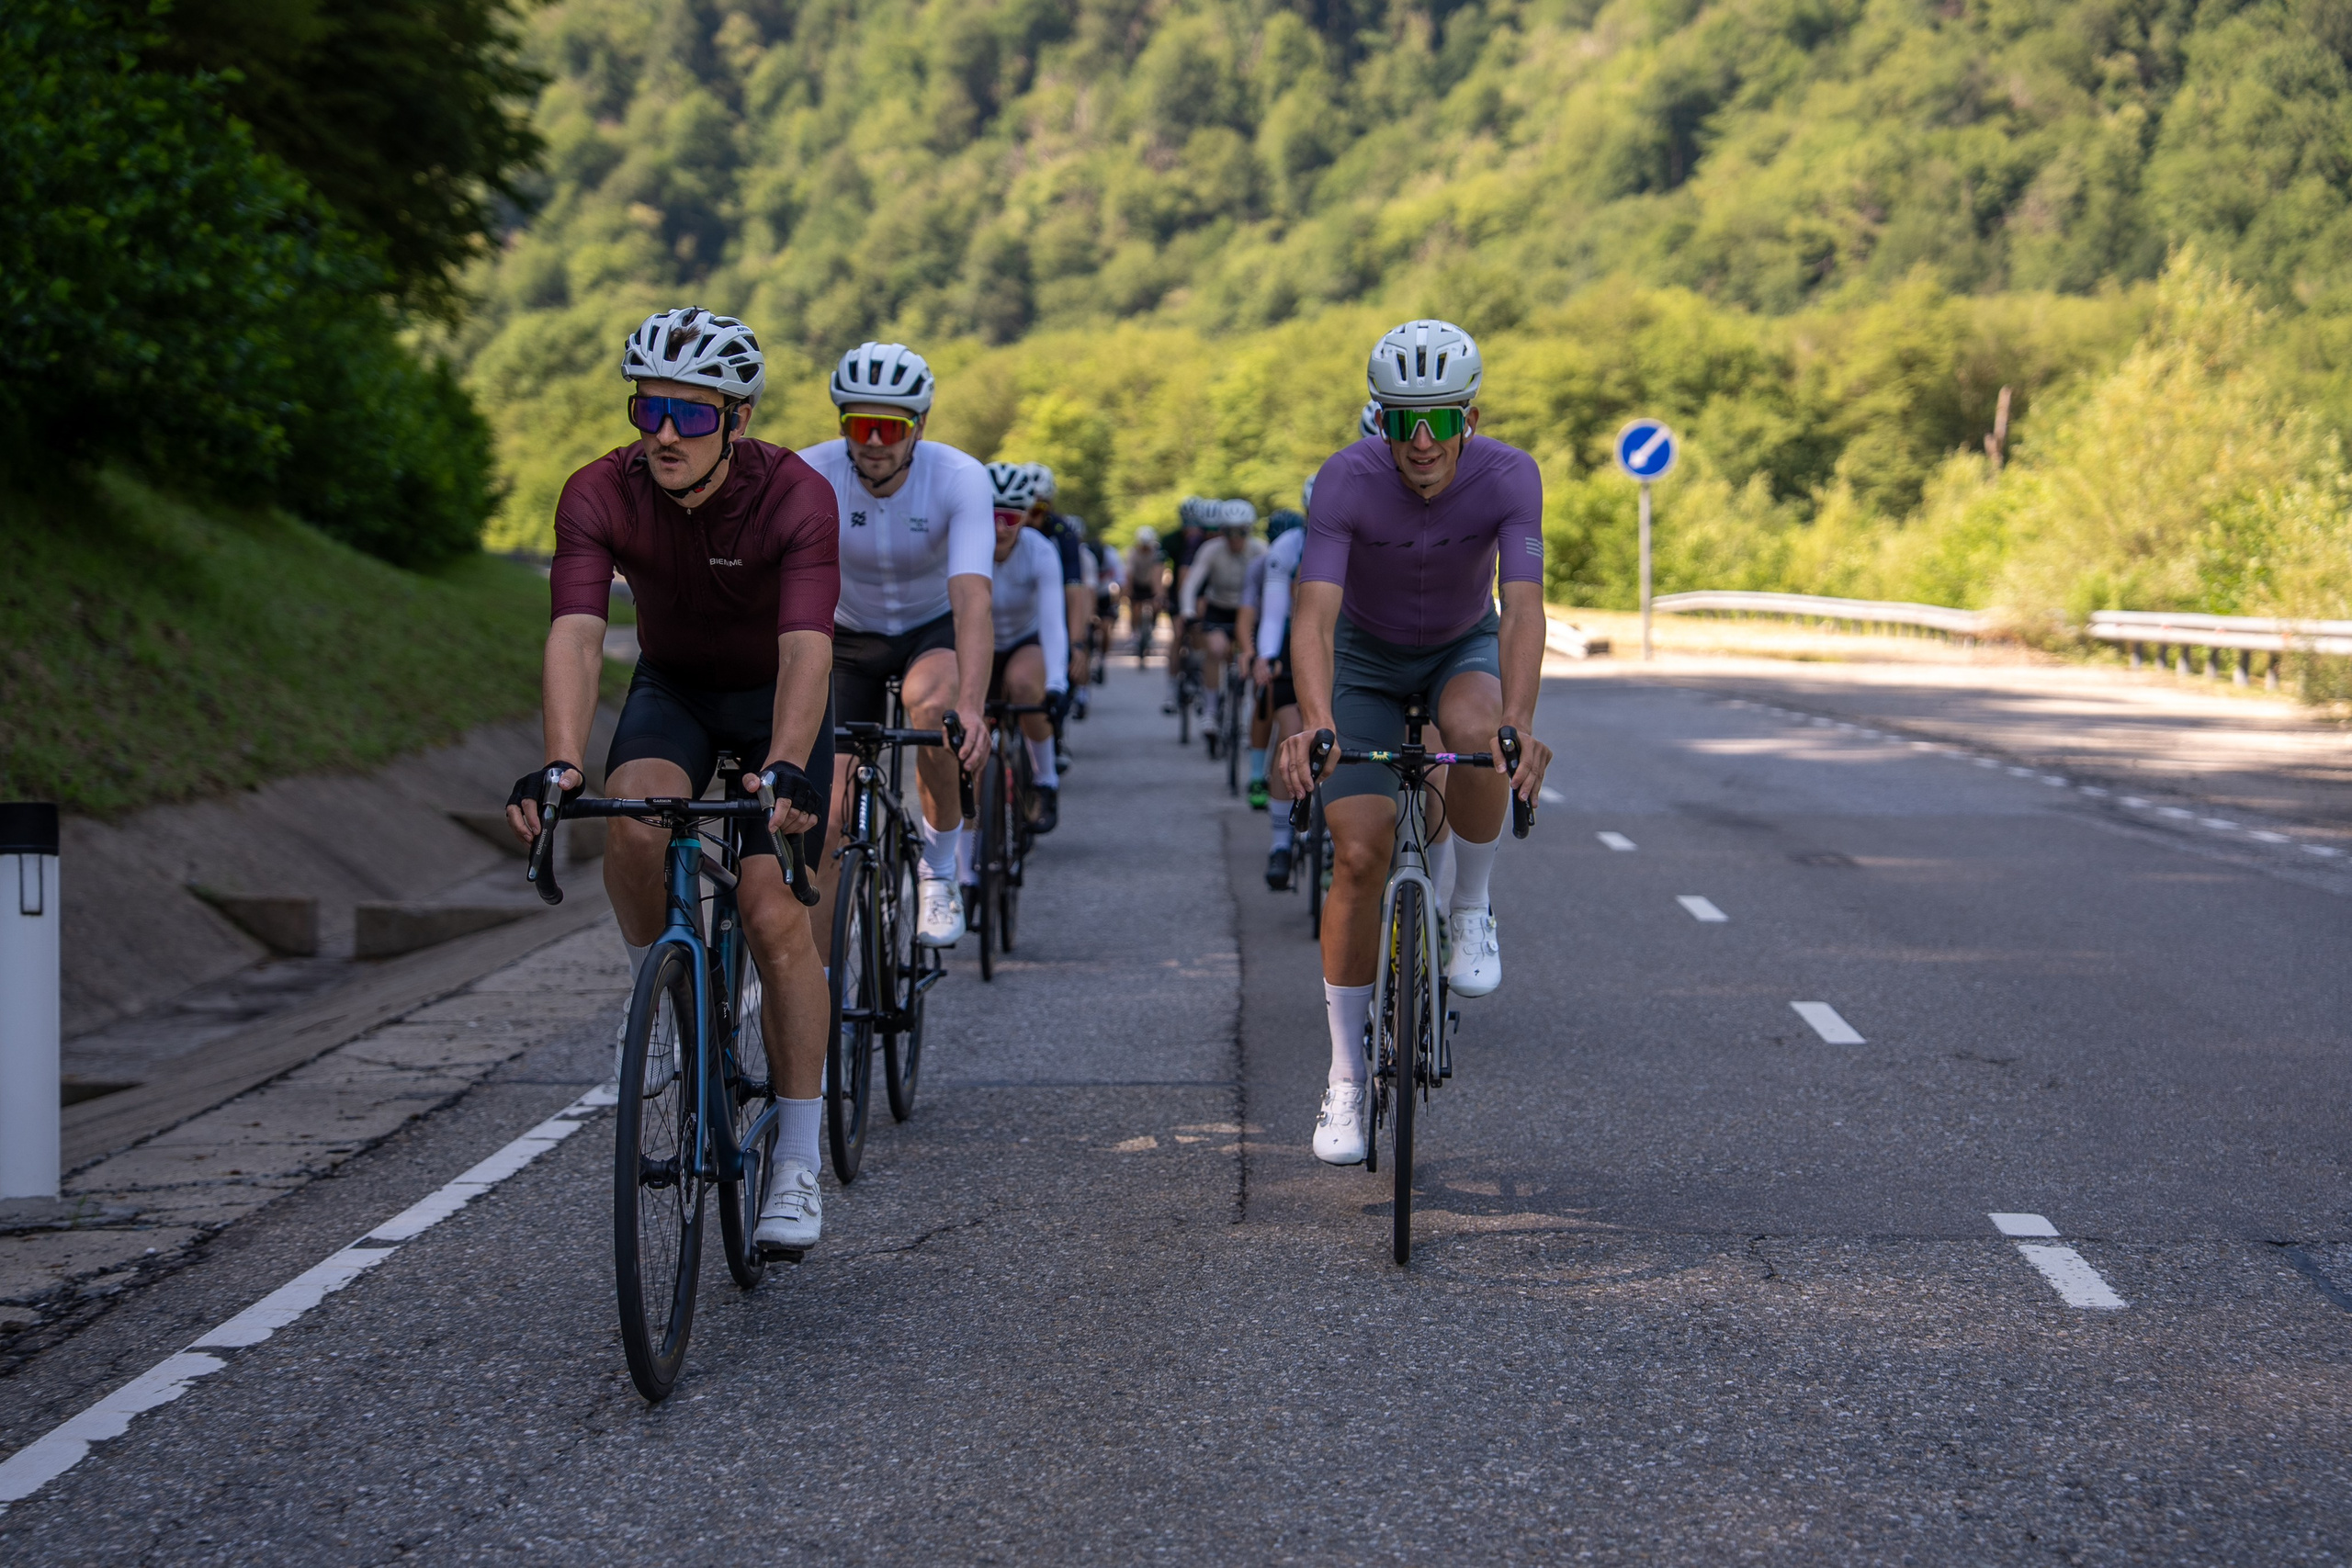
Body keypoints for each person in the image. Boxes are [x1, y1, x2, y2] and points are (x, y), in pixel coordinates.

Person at [507, 306, 839, 1256]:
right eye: (648, 408)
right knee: (632, 828)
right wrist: (564, 761)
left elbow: (809, 646)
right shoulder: (597, 492)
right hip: (675, 693)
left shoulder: (796, 496)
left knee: (774, 914)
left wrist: (783, 763)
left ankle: (798, 1164)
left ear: (735, 420)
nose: (663, 434)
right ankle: (658, 993)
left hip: (776, 699)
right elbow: (575, 631)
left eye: (690, 416)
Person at [1274, 319, 1555, 1168]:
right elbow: (1313, 615)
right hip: (1361, 660)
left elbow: (1526, 603)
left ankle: (1469, 905)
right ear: (1381, 418)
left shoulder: (1511, 475)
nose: (1423, 440)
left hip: (1461, 646)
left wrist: (1521, 721)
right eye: (1403, 420)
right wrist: (1316, 719)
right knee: (1358, 858)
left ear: (1472, 415)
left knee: (1479, 734)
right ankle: (1348, 1076)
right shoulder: (1345, 480)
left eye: (1442, 419)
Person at [797, 342, 994, 952]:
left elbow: (972, 599)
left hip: (929, 627)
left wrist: (972, 706)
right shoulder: (809, 475)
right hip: (846, 635)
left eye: (892, 426)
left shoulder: (959, 477)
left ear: (921, 427)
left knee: (935, 709)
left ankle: (938, 869)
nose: (875, 441)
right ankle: (822, 1000)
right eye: (861, 425)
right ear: (842, 426)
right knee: (829, 816)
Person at [978, 462, 1070, 844]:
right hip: (976, 643)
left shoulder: (1041, 551)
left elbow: (1052, 621)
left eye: (1011, 517)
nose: (1000, 527)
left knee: (1024, 685)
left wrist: (1056, 683)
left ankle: (1045, 781)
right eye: (991, 515)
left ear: (1027, 517)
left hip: (1022, 640)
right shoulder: (961, 544)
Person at [1250, 506, 1309, 871]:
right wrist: (1266, 656)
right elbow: (1272, 613)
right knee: (1291, 733)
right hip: (1295, 645)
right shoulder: (1288, 547)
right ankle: (1280, 843)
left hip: (1349, 650)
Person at [1178, 501, 1266, 732]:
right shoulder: (1211, 549)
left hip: (1248, 611)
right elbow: (1191, 584)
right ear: (1221, 531)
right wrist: (1188, 611)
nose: (1235, 538)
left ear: (1249, 530)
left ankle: (1248, 710)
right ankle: (1210, 709)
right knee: (1215, 650)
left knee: (1253, 658)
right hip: (1218, 607)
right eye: (1229, 531)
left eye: (1241, 532)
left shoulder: (1260, 550)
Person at [1159, 500, 1209, 711]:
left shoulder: (1206, 539)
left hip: (1207, 590)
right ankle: (1172, 688)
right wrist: (1161, 594)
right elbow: (1164, 571)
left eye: (1195, 523)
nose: (1191, 528)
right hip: (1180, 591)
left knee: (1201, 633)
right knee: (1178, 636)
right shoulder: (1171, 540)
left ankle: (1199, 673)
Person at [1126, 525, 1163, 657]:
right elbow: (1129, 574)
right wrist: (1128, 591)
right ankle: (1135, 634)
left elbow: (1158, 573)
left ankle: (1152, 629)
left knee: (1157, 606)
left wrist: (1159, 593)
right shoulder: (1133, 553)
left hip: (1151, 584)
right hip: (1137, 583)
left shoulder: (1157, 553)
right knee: (1135, 608)